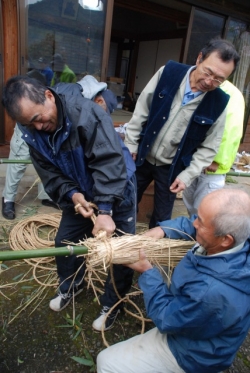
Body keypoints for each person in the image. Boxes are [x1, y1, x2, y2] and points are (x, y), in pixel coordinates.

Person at [2, 75, 136, 332]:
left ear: (49, 97)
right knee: (64, 243)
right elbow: (50, 174)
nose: (38, 127)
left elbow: (109, 162)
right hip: (80, 195)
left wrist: (106, 209)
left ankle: (113, 303)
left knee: (120, 252)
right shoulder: (31, 133)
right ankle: (72, 286)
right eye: (29, 124)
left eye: (39, 118)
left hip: (116, 190)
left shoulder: (86, 114)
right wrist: (73, 195)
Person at [97, 188, 250, 373]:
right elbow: (191, 223)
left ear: (226, 240)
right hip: (203, 324)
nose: (194, 223)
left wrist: (147, 272)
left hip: (192, 353)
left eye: (200, 222)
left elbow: (166, 318)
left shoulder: (210, 293)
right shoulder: (239, 234)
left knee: (106, 361)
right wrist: (163, 229)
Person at [124, 37, 240, 228]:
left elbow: (209, 148)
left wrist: (187, 175)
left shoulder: (219, 102)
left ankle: (153, 251)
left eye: (219, 79)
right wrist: (131, 144)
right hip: (141, 156)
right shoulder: (168, 73)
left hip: (172, 167)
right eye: (208, 72)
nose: (209, 81)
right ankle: (120, 241)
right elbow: (141, 110)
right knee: (126, 202)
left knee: (162, 219)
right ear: (199, 59)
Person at [183, 79, 244, 215]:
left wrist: (217, 159)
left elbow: (230, 130)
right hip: (194, 159)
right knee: (191, 205)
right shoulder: (202, 87)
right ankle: (193, 234)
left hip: (211, 165)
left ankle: (200, 235)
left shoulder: (231, 94)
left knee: (204, 210)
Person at [1, 124, 59, 220]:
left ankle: (47, 195)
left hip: (48, 126)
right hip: (27, 125)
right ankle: (8, 198)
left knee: (48, 161)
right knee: (18, 163)